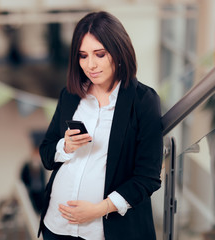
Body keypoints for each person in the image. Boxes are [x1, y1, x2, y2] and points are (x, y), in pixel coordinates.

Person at [38, 11, 163, 240]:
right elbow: (46, 154)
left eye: (100, 54)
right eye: (83, 56)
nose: (90, 65)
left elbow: (148, 177)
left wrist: (99, 209)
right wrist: (64, 147)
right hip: (56, 226)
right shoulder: (70, 95)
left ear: (118, 52)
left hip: (107, 231)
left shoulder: (144, 101)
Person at [20, 130, 47, 214]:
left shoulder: (41, 167)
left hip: (40, 197)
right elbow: (22, 181)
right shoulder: (26, 166)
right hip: (30, 196)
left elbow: (43, 182)